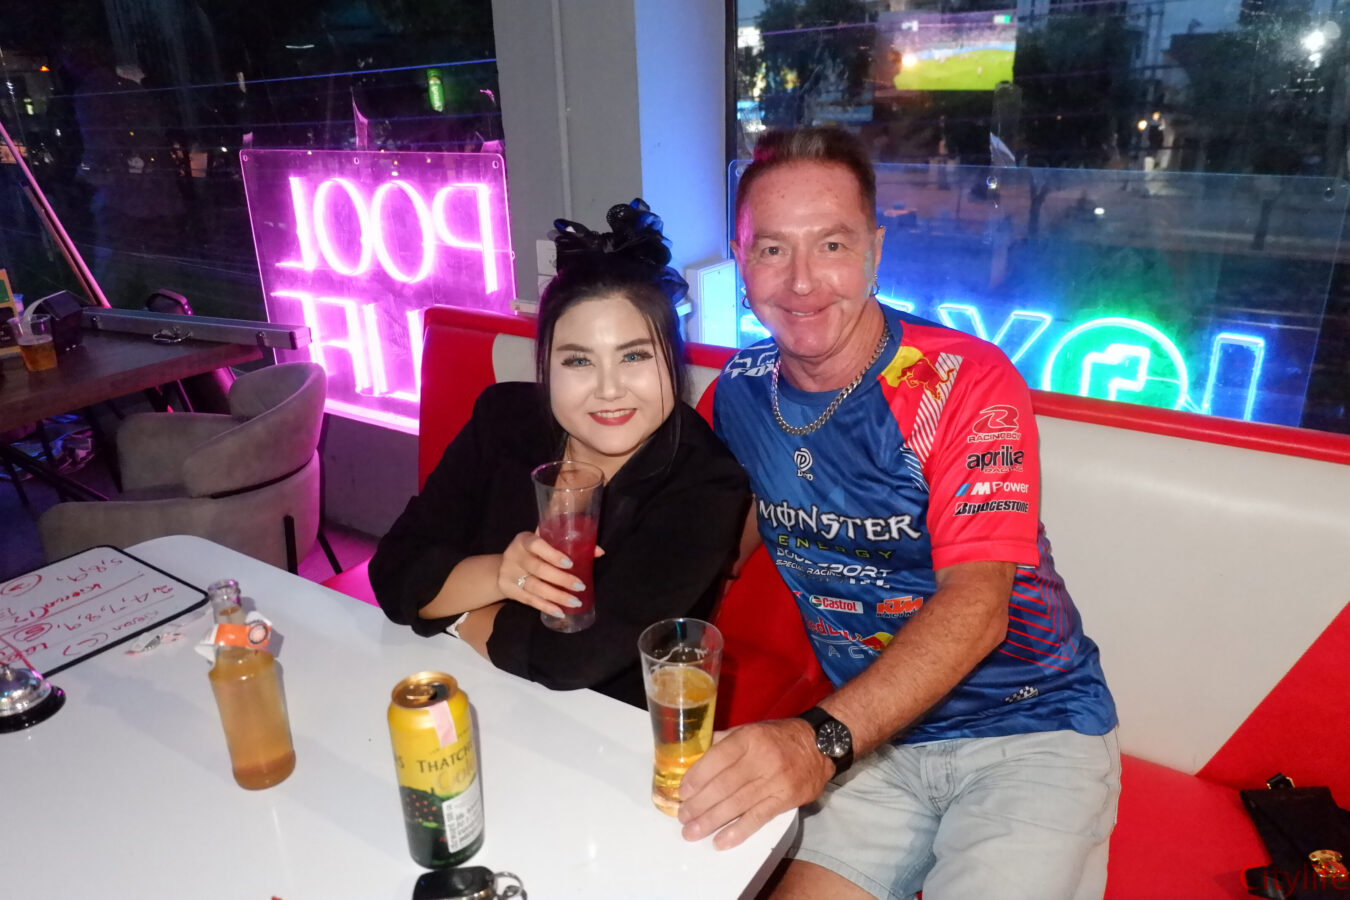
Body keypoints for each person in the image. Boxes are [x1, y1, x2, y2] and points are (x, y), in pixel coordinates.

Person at [678, 127, 1120, 900]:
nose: (802, 282)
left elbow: (978, 604)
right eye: (773, 249)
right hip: (877, 743)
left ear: (875, 251)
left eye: (832, 245)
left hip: (1030, 732)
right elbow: (711, 551)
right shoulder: (738, 395)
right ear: (741, 262)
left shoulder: (964, 381)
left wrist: (815, 743)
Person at [370, 200, 749, 709]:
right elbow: (393, 569)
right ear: (546, 366)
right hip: (455, 689)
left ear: (672, 363)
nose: (609, 389)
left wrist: (457, 610)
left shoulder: (707, 483)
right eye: (578, 361)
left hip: (599, 727)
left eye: (635, 355)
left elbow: (573, 660)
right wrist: (502, 574)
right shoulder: (504, 419)